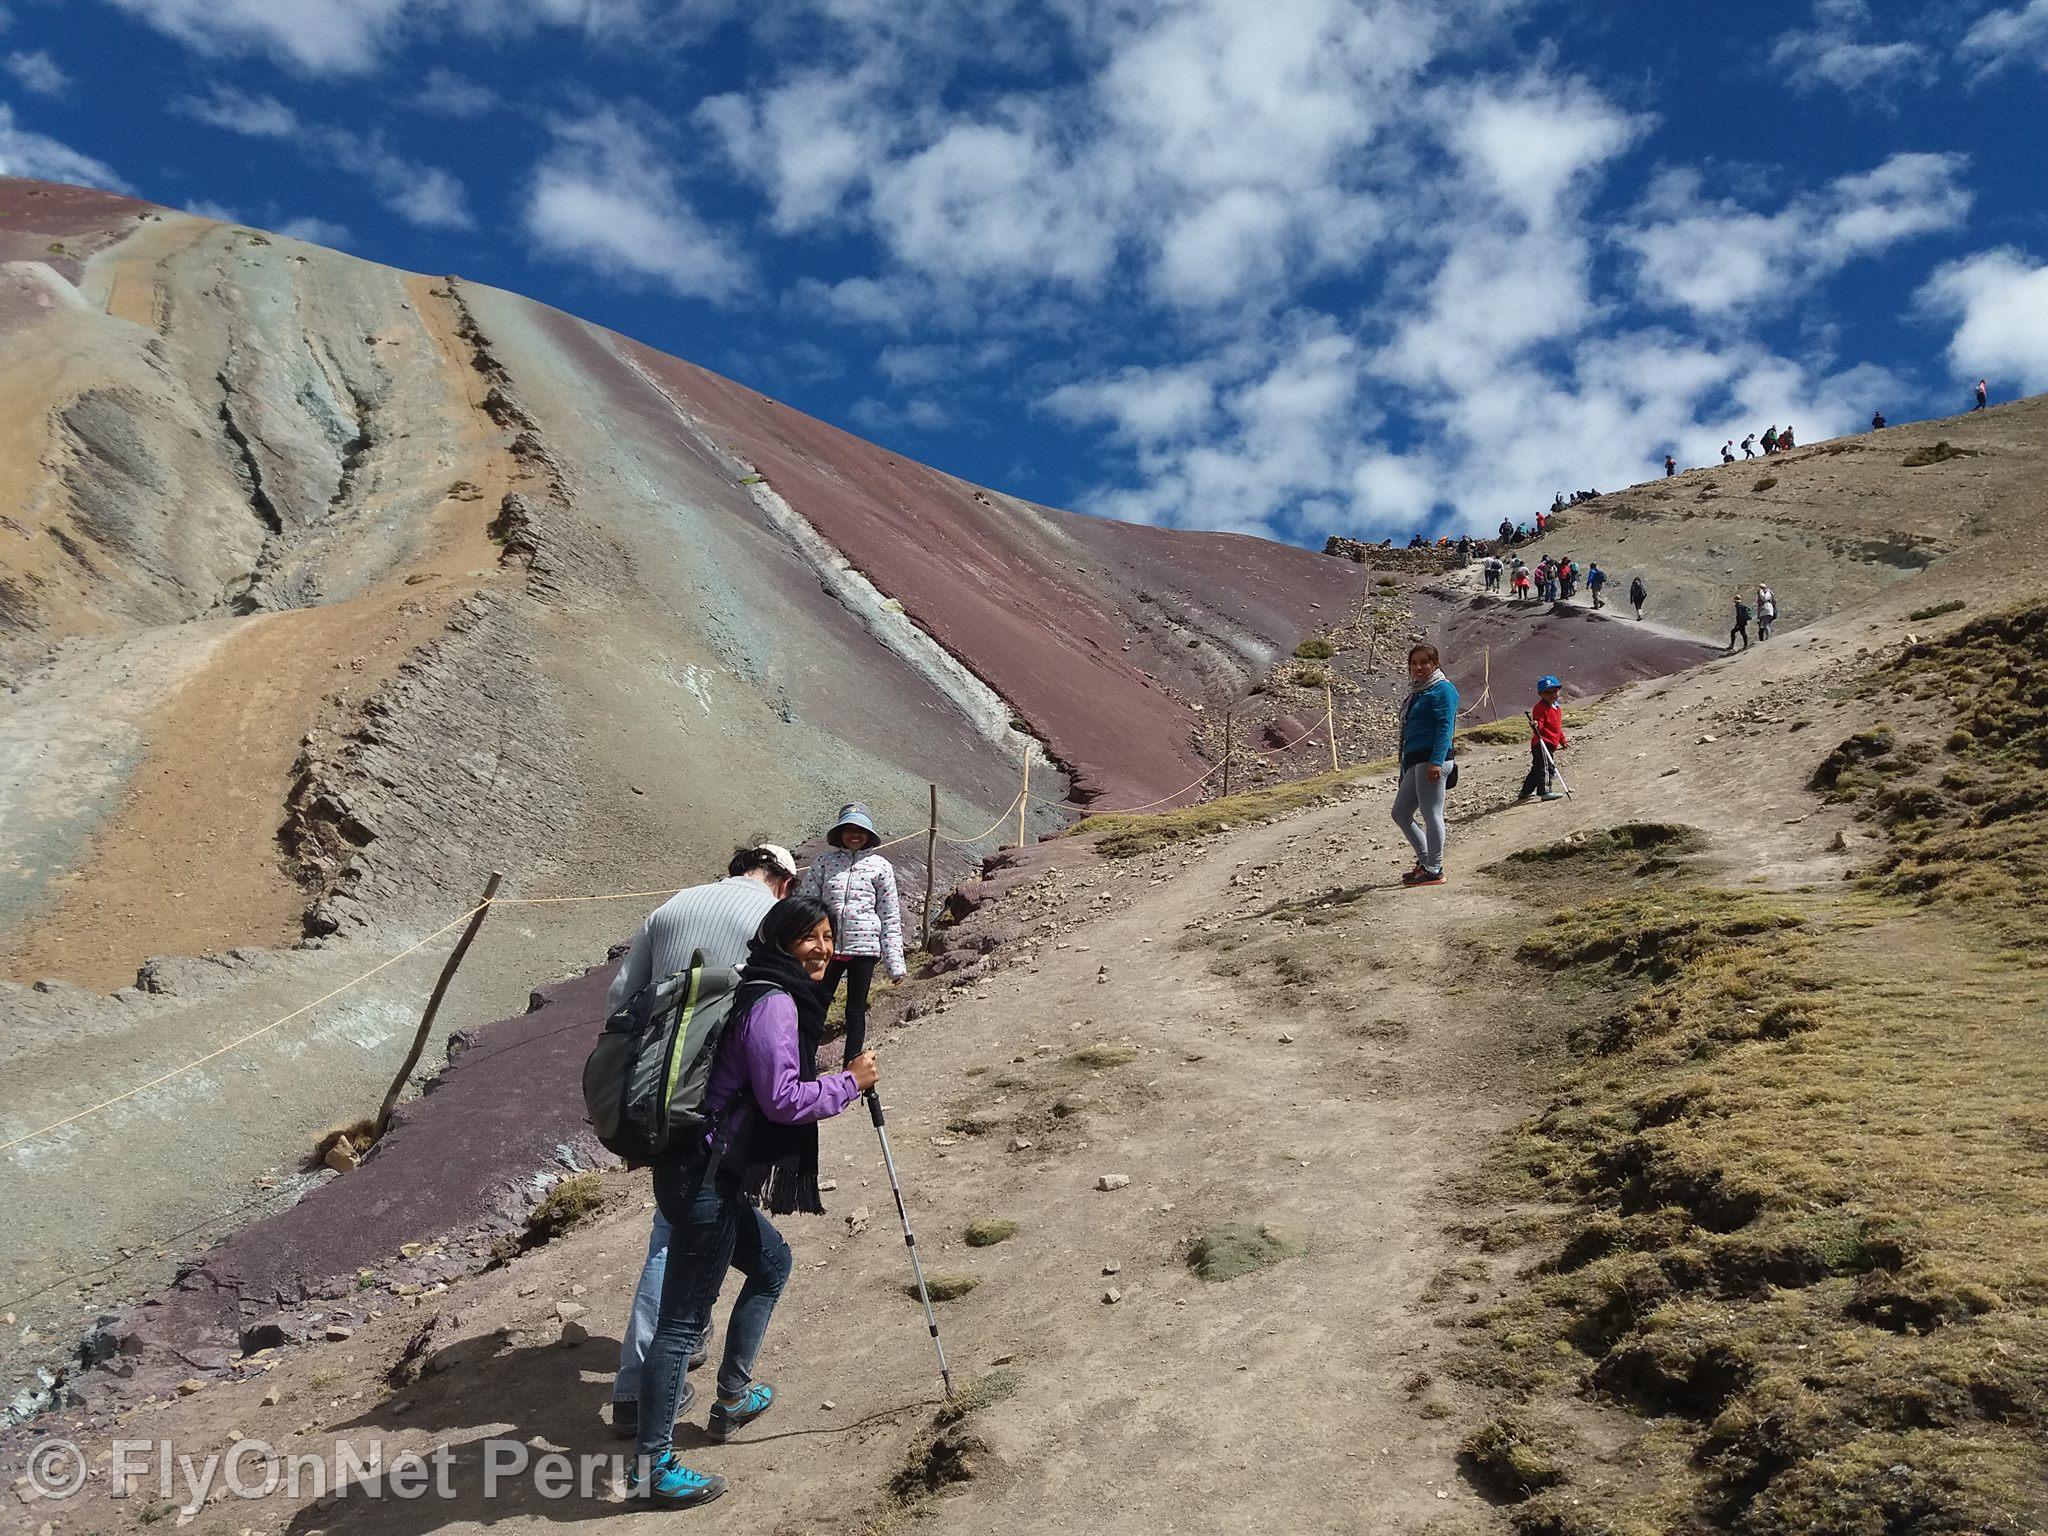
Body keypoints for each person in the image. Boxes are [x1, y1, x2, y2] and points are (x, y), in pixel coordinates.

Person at [631, 896, 881, 1507]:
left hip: (701, 1169)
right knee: (682, 1323)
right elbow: (783, 1100)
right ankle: (652, 1467)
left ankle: (734, 1398)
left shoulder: (761, 985)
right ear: (780, 941)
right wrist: (852, 1082)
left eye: (828, 937)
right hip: (707, 1178)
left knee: (771, 1265)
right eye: (809, 938)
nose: (822, 949)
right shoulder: (772, 1003)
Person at [607, 844, 800, 1440]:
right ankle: (638, 1392)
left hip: (653, 1094)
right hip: (715, 1104)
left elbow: (619, 998)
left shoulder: (672, 907)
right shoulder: (766, 920)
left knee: (688, 1228)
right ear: (784, 885)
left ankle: (674, 1364)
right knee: (678, 1238)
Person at [801, 803, 908, 1067]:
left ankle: (851, 1068)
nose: (854, 835)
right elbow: (805, 904)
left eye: (860, 829)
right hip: (827, 948)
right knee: (816, 1005)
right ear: (840, 833)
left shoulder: (881, 867)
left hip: (864, 948)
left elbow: (889, 915)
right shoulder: (823, 864)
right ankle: (804, 1064)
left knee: (855, 1010)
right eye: (848, 829)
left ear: (868, 834)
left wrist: (895, 964)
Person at [1392, 644, 1458, 887]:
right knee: (1400, 812)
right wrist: (1404, 769)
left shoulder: (1443, 689)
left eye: (1424, 662)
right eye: (1413, 663)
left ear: (1435, 664)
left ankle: (1434, 867)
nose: (1418, 667)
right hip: (1416, 760)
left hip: (1432, 759)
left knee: (1432, 813)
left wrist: (1436, 761)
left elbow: (1445, 727)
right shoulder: (1417, 693)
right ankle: (1426, 861)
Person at [1519, 676, 1568, 802]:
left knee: (1537, 769)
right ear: (1540, 694)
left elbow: (1557, 727)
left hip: (1551, 742)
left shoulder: (1556, 707)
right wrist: (1536, 724)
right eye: (1547, 692)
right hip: (1542, 743)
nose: (1552, 695)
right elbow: (1539, 724)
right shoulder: (1540, 708)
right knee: (1546, 767)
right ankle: (1545, 791)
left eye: (1554, 691)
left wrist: (1562, 740)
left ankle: (1525, 791)